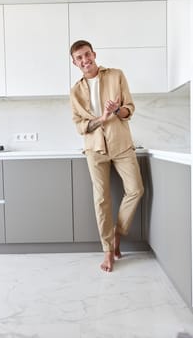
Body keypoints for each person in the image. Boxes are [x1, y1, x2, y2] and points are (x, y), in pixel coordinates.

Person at [69, 40, 144, 272]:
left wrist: (116, 111)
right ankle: (108, 251)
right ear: (74, 63)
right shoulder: (75, 91)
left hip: (121, 144)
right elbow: (80, 125)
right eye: (79, 58)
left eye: (87, 55)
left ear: (94, 54)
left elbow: (129, 109)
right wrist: (101, 119)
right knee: (101, 199)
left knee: (136, 189)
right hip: (94, 148)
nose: (85, 60)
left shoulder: (116, 75)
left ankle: (116, 233)